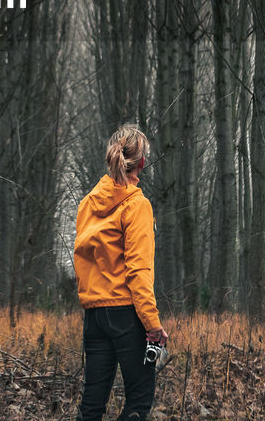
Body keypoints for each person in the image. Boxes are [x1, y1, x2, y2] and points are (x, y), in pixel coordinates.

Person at [72, 124, 169, 421]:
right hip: (126, 315)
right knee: (139, 402)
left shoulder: (87, 204)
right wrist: (152, 325)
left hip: (94, 316)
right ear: (140, 163)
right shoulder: (137, 205)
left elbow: (82, 260)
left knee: (92, 403)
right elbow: (138, 272)